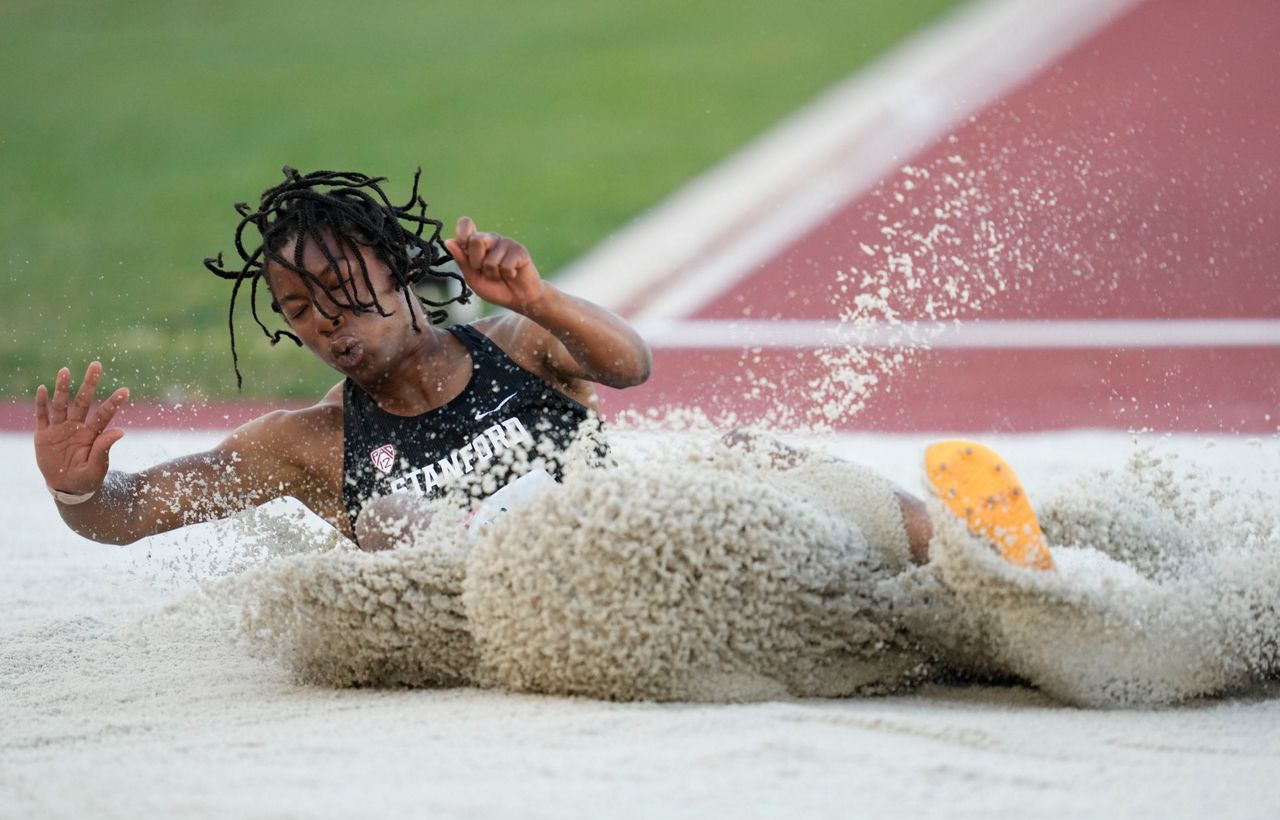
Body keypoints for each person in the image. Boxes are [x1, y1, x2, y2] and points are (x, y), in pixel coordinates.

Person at [34, 167, 945, 560]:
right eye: (300, 311)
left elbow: (629, 367)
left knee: (748, 454)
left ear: (399, 271)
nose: (327, 323)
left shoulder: (516, 345)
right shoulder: (307, 444)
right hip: (526, 625)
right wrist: (79, 490)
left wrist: (539, 300)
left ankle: (970, 562)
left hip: (643, 552)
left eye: (343, 292)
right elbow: (129, 514)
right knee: (392, 520)